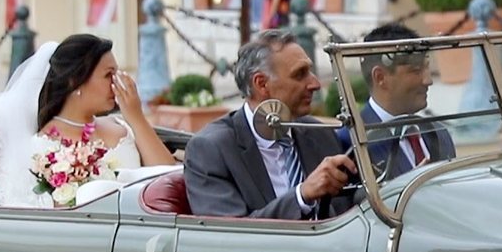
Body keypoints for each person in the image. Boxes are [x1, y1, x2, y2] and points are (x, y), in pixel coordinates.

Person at [184, 30, 355, 220]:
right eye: (300, 74)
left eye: (310, 71)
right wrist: (301, 196)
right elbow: (230, 234)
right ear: (262, 84)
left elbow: (350, 207)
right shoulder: (211, 149)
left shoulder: (318, 133)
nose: (315, 83)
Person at [0, 34, 176, 207]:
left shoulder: (120, 126)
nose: (116, 83)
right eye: (108, 75)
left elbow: (167, 176)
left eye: (117, 74)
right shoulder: (41, 150)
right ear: (74, 81)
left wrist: (136, 118)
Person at [339, 23, 455, 177]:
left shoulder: (439, 134)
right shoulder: (351, 142)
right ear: (380, 78)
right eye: (416, 71)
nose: (428, 80)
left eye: (427, 68)